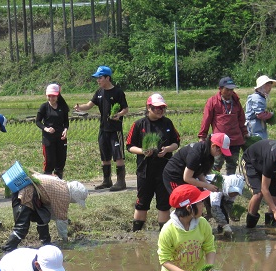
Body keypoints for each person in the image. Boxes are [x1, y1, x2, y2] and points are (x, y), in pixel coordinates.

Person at [126, 93, 181, 232]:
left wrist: (167, 149)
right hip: (145, 170)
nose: (160, 110)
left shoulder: (167, 123)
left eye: (162, 107)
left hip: (164, 170)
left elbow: (176, 142)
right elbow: (129, 146)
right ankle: (137, 234)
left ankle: (164, 235)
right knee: (142, 202)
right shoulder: (139, 124)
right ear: (148, 107)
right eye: (157, 107)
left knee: (164, 204)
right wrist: (143, 151)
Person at [74, 65, 129, 191]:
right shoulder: (99, 92)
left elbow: (125, 109)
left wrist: (119, 115)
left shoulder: (118, 92)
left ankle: (121, 182)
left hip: (115, 129)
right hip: (103, 128)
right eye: (97, 78)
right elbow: (89, 105)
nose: (98, 80)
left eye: (100, 78)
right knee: (105, 155)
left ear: (107, 78)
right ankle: (107, 180)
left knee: (118, 155)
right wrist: (79, 107)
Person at [0, 175, 88, 252]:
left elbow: (52, 211)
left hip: (29, 193)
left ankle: (46, 243)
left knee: (42, 217)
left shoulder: (61, 184)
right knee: (21, 227)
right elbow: (61, 220)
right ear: (75, 196)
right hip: (26, 194)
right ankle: (8, 248)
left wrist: (65, 219)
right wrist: (65, 239)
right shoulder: (64, 195)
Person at [198, 76, 248, 175]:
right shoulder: (212, 101)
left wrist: (245, 132)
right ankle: (213, 182)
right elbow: (206, 119)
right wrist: (202, 136)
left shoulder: (236, 102)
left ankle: (230, 183)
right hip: (219, 141)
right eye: (227, 89)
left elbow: (241, 119)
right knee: (216, 164)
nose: (230, 92)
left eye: (232, 90)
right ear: (220, 89)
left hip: (235, 140)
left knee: (232, 165)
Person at [162, 133, 231, 194]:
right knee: (183, 200)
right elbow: (187, 178)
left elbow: (199, 172)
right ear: (213, 146)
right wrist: (206, 185)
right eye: (220, 151)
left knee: (195, 200)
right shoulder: (196, 154)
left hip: (186, 176)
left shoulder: (207, 153)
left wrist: (207, 185)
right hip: (174, 176)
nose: (220, 154)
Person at [36, 83, 69, 179]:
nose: (51, 98)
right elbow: (37, 121)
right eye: (49, 96)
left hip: (61, 137)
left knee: (61, 161)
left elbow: (66, 122)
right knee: (50, 161)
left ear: (57, 95)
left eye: (53, 96)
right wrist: (46, 128)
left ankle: (58, 181)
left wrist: (65, 130)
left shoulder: (62, 107)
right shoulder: (44, 107)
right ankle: (48, 181)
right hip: (48, 138)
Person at [245, 75, 276, 140]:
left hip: (259, 126)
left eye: (270, 84)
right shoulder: (257, 98)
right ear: (261, 86)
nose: (270, 87)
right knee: (256, 142)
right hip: (253, 127)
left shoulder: (261, 97)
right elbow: (260, 114)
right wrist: (271, 115)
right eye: (267, 84)